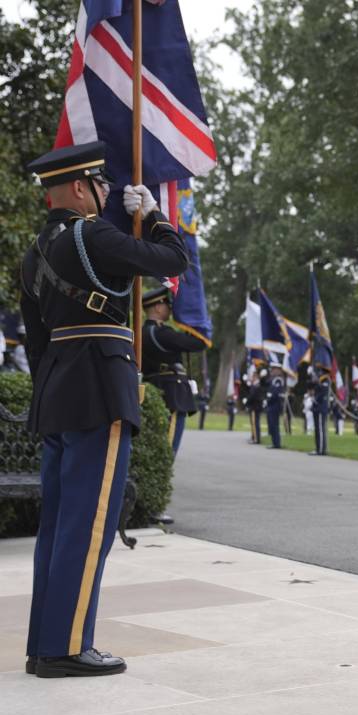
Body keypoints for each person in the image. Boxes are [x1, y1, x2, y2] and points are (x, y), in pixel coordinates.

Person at [18, 141, 188, 678]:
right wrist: (154, 216)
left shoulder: (34, 253)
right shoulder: (91, 234)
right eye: (100, 184)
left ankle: (46, 642)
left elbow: (38, 340)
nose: (108, 193)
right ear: (77, 188)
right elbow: (173, 260)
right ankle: (67, 647)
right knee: (89, 524)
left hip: (58, 390)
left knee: (59, 524)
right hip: (98, 384)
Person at [142, 285, 205, 457]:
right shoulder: (162, 334)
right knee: (169, 446)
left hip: (154, 388)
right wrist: (196, 325)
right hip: (172, 393)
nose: (170, 308)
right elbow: (199, 344)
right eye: (167, 304)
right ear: (157, 307)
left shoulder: (141, 332)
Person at [310, 366, 331, 455]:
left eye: (321, 372)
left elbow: (322, 392)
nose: (319, 374)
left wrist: (318, 382)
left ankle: (321, 449)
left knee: (320, 429)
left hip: (321, 407)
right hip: (317, 407)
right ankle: (318, 447)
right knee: (317, 429)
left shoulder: (326, 381)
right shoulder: (320, 381)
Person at [265, 364, 286, 449]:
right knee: (271, 424)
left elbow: (276, 393)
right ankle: (274, 442)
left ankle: (277, 443)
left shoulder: (278, 380)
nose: (272, 371)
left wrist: (269, 398)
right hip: (271, 404)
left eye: (274, 369)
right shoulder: (272, 379)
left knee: (274, 424)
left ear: (278, 370)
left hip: (275, 404)